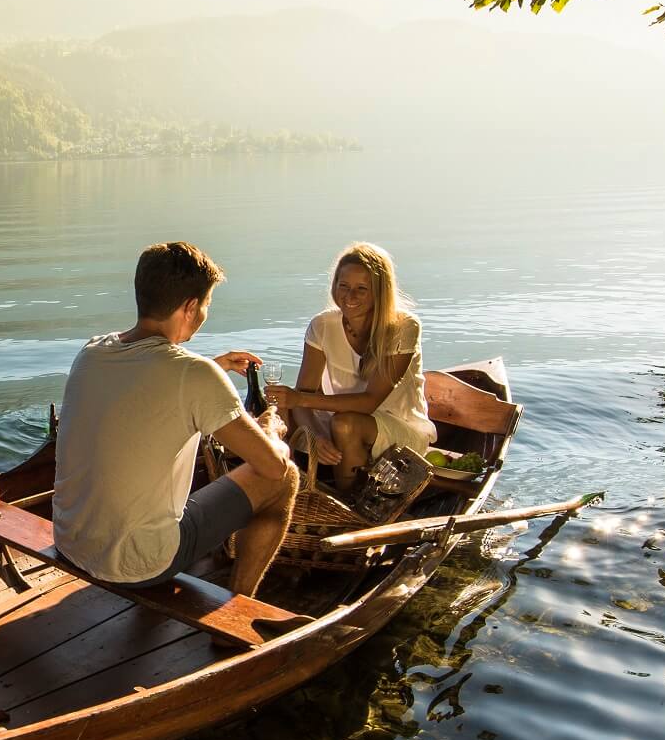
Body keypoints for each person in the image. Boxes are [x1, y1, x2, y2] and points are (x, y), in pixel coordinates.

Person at [53, 241, 300, 598]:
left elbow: (144, 387)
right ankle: (239, 609)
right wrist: (270, 429)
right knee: (285, 478)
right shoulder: (193, 375)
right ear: (189, 307)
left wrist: (215, 368)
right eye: (206, 306)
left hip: (70, 541)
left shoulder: (93, 352)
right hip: (141, 564)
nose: (204, 316)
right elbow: (272, 467)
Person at [268, 241, 435, 483]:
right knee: (275, 412)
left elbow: (369, 403)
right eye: (343, 286)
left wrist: (299, 399)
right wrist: (315, 436)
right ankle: (286, 491)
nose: (350, 296)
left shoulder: (404, 327)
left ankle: (350, 508)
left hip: (399, 430)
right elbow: (303, 394)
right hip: (335, 421)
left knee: (345, 424)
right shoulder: (322, 325)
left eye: (361, 289)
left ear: (379, 291)